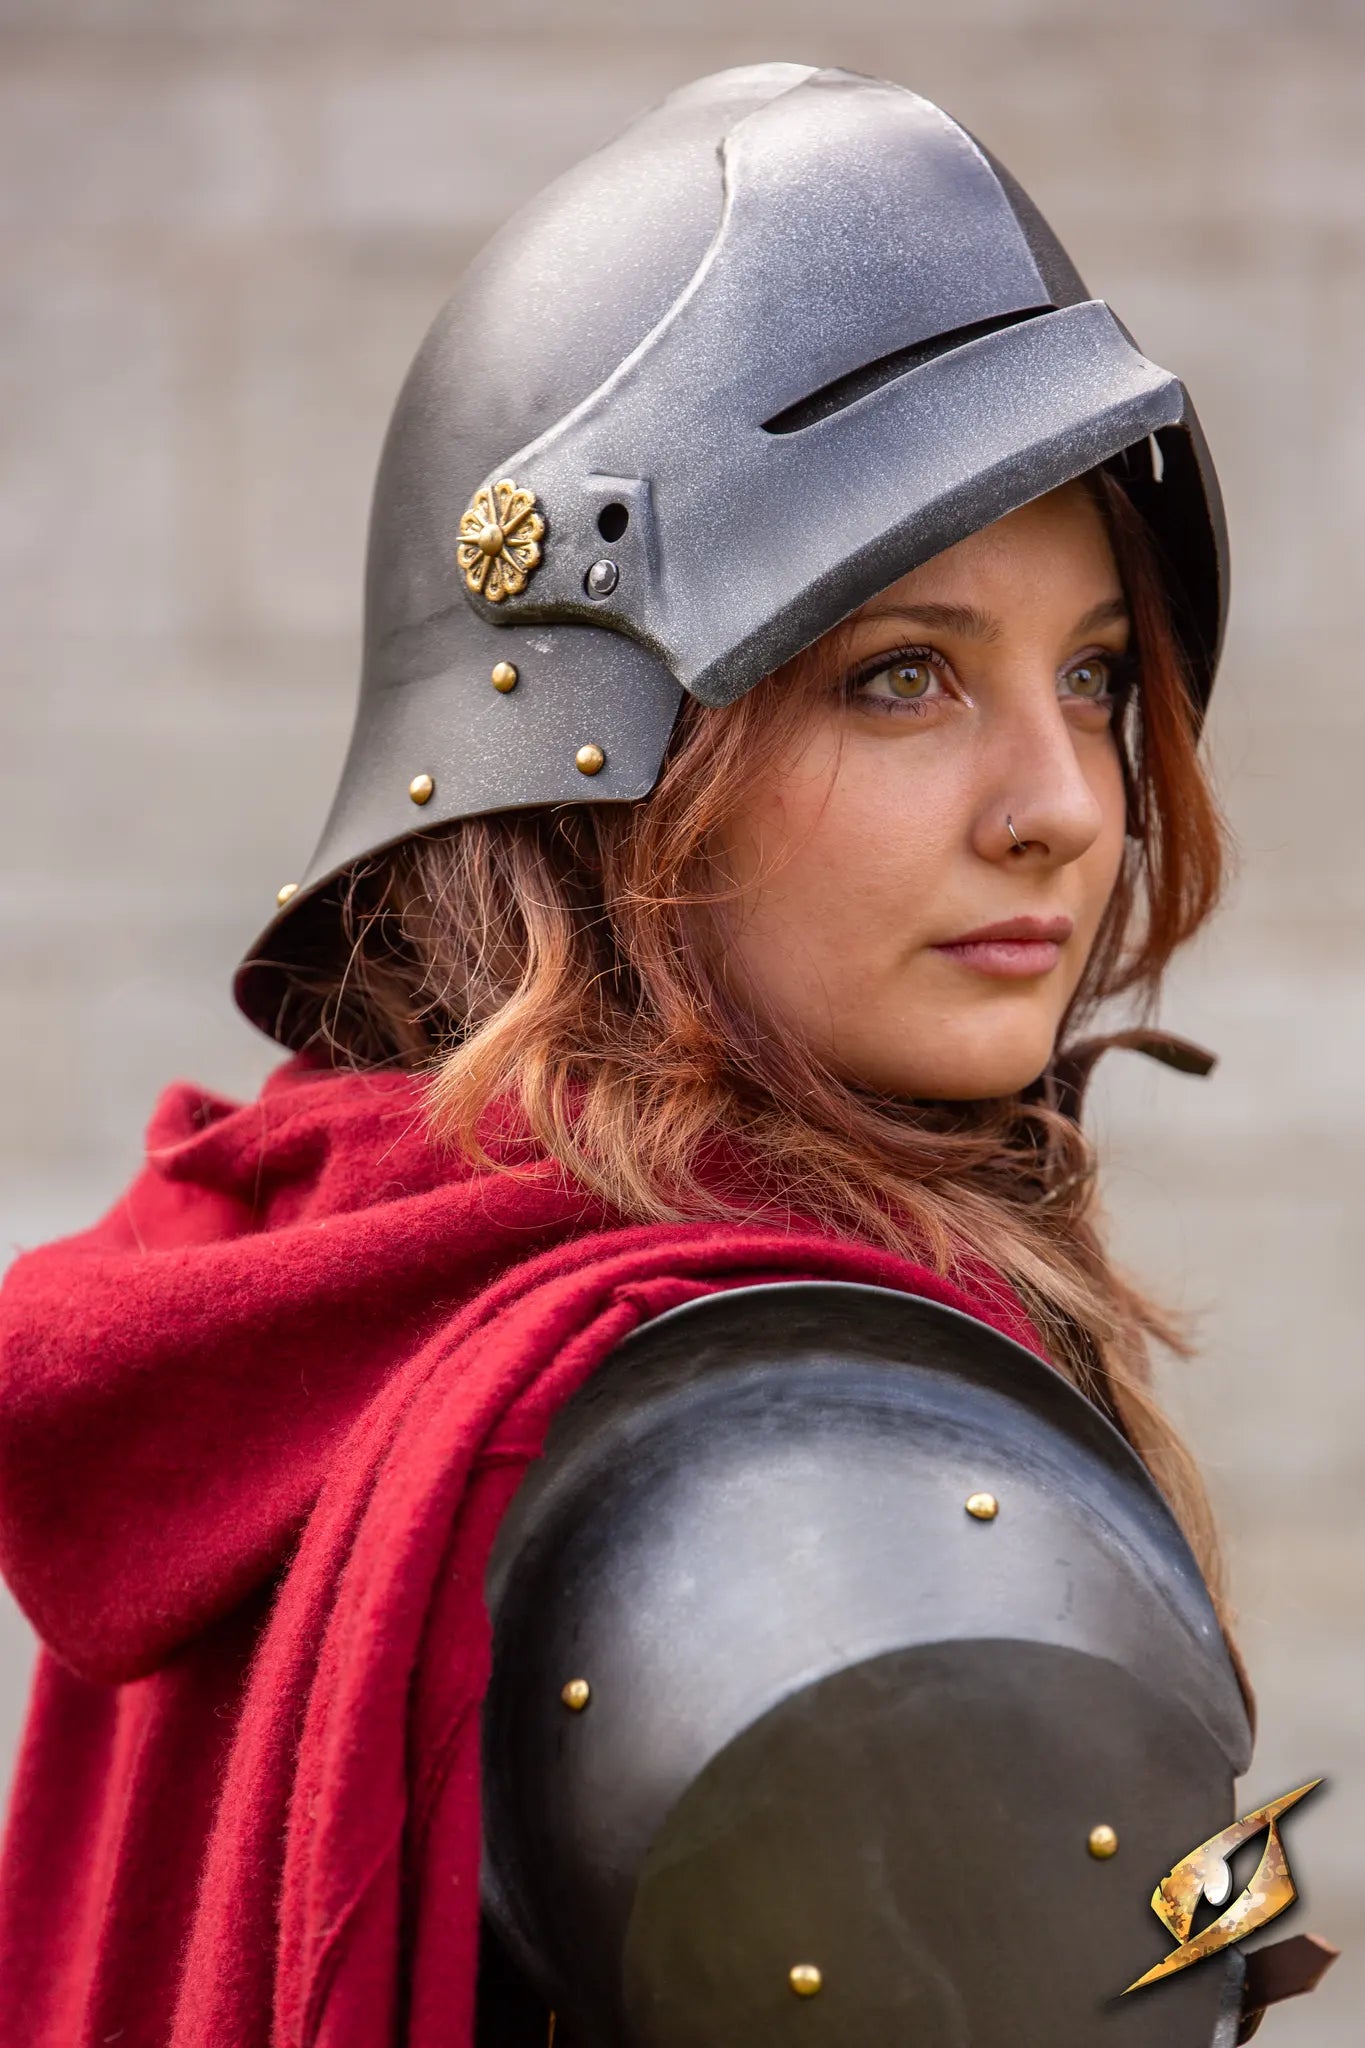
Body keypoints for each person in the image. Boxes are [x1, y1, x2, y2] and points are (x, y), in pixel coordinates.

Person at [0, 61, 1336, 2048]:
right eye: (900, 676)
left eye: (1084, 676)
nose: (1059, 800)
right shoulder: (829, 1505)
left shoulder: (304, 1290)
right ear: (598, 769)